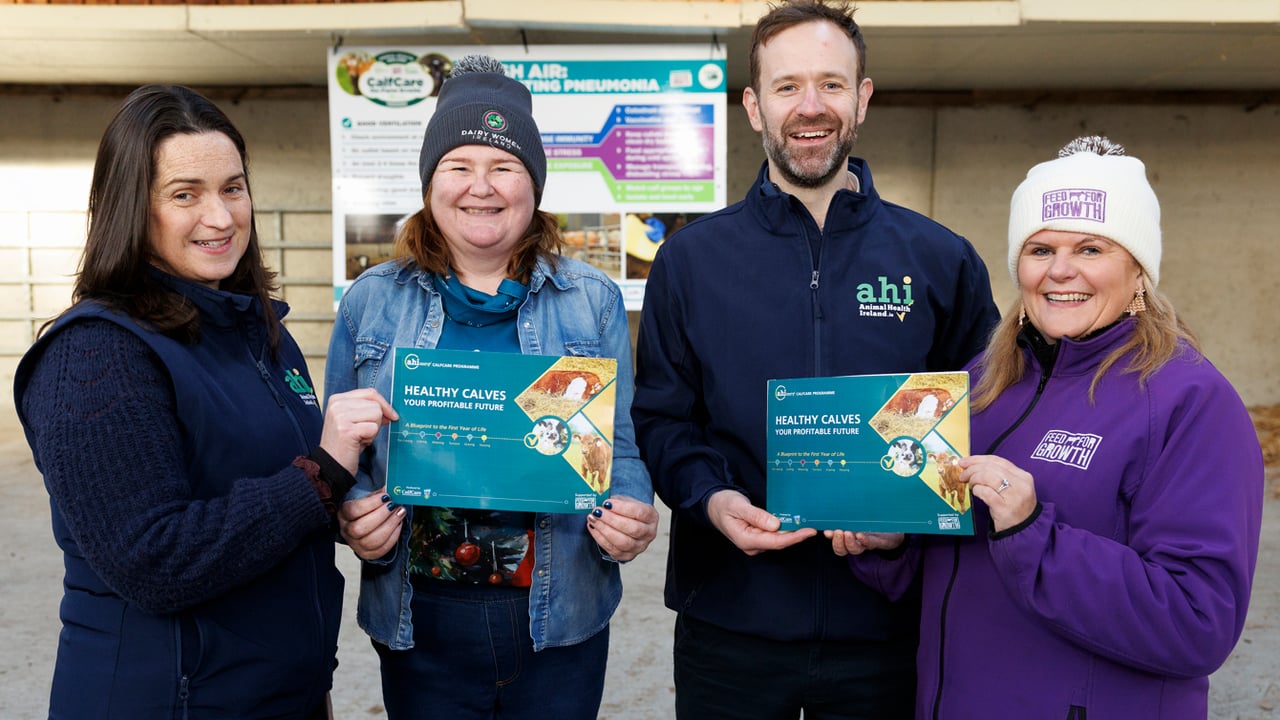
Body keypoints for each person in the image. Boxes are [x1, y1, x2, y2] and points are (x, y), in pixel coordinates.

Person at [630, 1, 1001, 717]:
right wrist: (711, 500)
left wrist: (913, 516)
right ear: (752, 105)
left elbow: (984, 413)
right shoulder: (689, 262)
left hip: (889, 622)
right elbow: (664, 418)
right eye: (787, 85)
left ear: (861, 99)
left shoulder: (940, 258)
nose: (810, 107)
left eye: (832, 85)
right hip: (730, 617)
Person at [835, 136, 1265, 719]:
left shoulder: (1189, 400)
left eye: (1091, 248)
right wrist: (894, 545)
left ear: (1138, 268)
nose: (1060, 271)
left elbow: (1198, 623)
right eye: (1039, 249)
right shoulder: (978, 381)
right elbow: (953, 575)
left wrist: (1031, 531)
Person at [12, 84, 396, 719]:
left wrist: (347, 517)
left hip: (274, 696)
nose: (220, 217)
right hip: (168, 701)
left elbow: (271, 488)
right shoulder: (96, 355)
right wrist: (319, 478)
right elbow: (151, 560)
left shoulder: (259, 335)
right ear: (130, 209)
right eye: (184, 194)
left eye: (233, 188)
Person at [327, 55, 659, 720]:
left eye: (504, 166)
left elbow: (619, 444)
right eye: (459, 166)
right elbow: (340, 452)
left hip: (559, 614)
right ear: (430, 183)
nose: (481, 186)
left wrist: (631, 506)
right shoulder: (371, 302)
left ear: (532, 183)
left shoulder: (590, 300)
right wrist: (351, 511)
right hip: (423, 620)